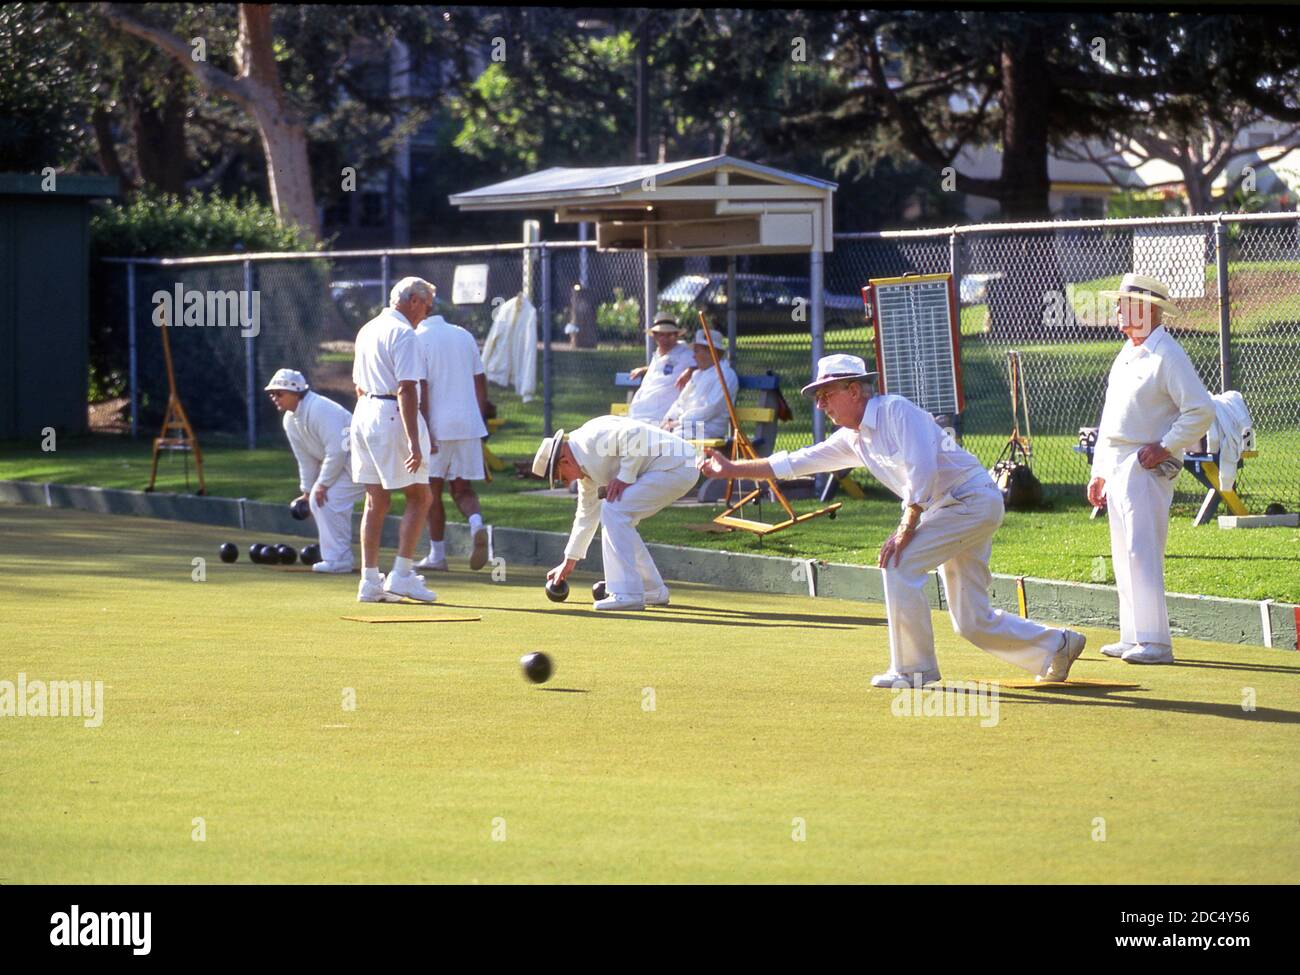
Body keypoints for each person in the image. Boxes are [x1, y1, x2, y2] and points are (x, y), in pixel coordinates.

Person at [699, 353, 1086, 687]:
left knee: (898, 562)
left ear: (854, 390)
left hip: (970, 500)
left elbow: (922, 464)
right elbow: (795, 462)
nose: (820, 405)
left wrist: (907, 522)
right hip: (950, 509)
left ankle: (914, 671)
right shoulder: (852, 439)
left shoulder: (896, 411)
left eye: (826, 394)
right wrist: (730, 468)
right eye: (818, 397)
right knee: (970, 621)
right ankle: (1059, 644)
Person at [1088, 273, 1215, 665]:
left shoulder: (1168, 355)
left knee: (1142, 550)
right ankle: (1133, 636)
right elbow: (1111, 419)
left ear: (1145, 309)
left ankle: (1156, 642)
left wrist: (1165, 447)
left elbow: (1201, 410)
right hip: (1120, 463)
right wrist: (1100, 470)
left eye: (1124, 304)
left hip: (1146, 466)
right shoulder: (1127, 352)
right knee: (1123, 550)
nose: (1116, 310)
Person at [534, 416, 699, 612]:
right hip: (671, 468)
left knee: (614, 510)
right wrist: (569, 560)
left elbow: (636, 434)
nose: (565, 482)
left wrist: (625, 476)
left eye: (560, 476)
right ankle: (651, 588)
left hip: (677, 465)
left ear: (564, 461)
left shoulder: (590, 438)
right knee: (618, 516)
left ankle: (626, 592)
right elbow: (586, 515)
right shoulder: (586, 475)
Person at [348, 276, 438, 603]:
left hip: (363, 413)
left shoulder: (368, 329)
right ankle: (401, 575)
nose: (426, 314)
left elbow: (358, 383)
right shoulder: (403, 333)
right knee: (420, 496)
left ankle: (370, 582)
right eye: (426, 307)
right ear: (413, 301)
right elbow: (407, 388)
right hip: (390, 415)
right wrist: (414, 440)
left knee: (377, 500)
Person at [412, 297, 491, 572]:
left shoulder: (416, 338)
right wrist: (480, 423)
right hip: (469, 425)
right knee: (463, 488)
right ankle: (477, 524)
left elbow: (419, 387)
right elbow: (479, 381)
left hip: (438, 427)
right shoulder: (464, 335)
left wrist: (423, 430)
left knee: (430, 492)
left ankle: (437, 555)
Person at [265, 368, 364, 573]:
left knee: (328, 500)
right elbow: (306, 459)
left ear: (296, 392)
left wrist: (323, 484)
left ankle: (339, 559)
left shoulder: (320, 409)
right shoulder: (290, 421)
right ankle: (337, 558)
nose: (274, 397)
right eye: (272, 393)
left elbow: (337, 450)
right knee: (321, 501)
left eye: (279, 393)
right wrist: (307, 490)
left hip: (362, 462)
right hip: (345, 465)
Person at [661, 327, 739, 440]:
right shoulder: (697, 374)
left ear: (711, 352)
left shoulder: (726, 375)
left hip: (708, 429)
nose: (693, 356)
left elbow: (711, 409)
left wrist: (680, 422)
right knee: (655, 435)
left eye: (697, 351)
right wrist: (669, 418)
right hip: (685, 426)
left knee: (672, 440)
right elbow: (681, 401)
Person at [626, 315, 696, 424]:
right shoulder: (657, 355)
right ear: (655, 336)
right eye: (661, 335)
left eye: (669, 335)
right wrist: (645, 369)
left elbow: (706, 365)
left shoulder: (685, 354)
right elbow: (665, 368)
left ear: (677, 335)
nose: (665, 339)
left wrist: (691, 370)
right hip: (639, 412)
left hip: (661, 415)